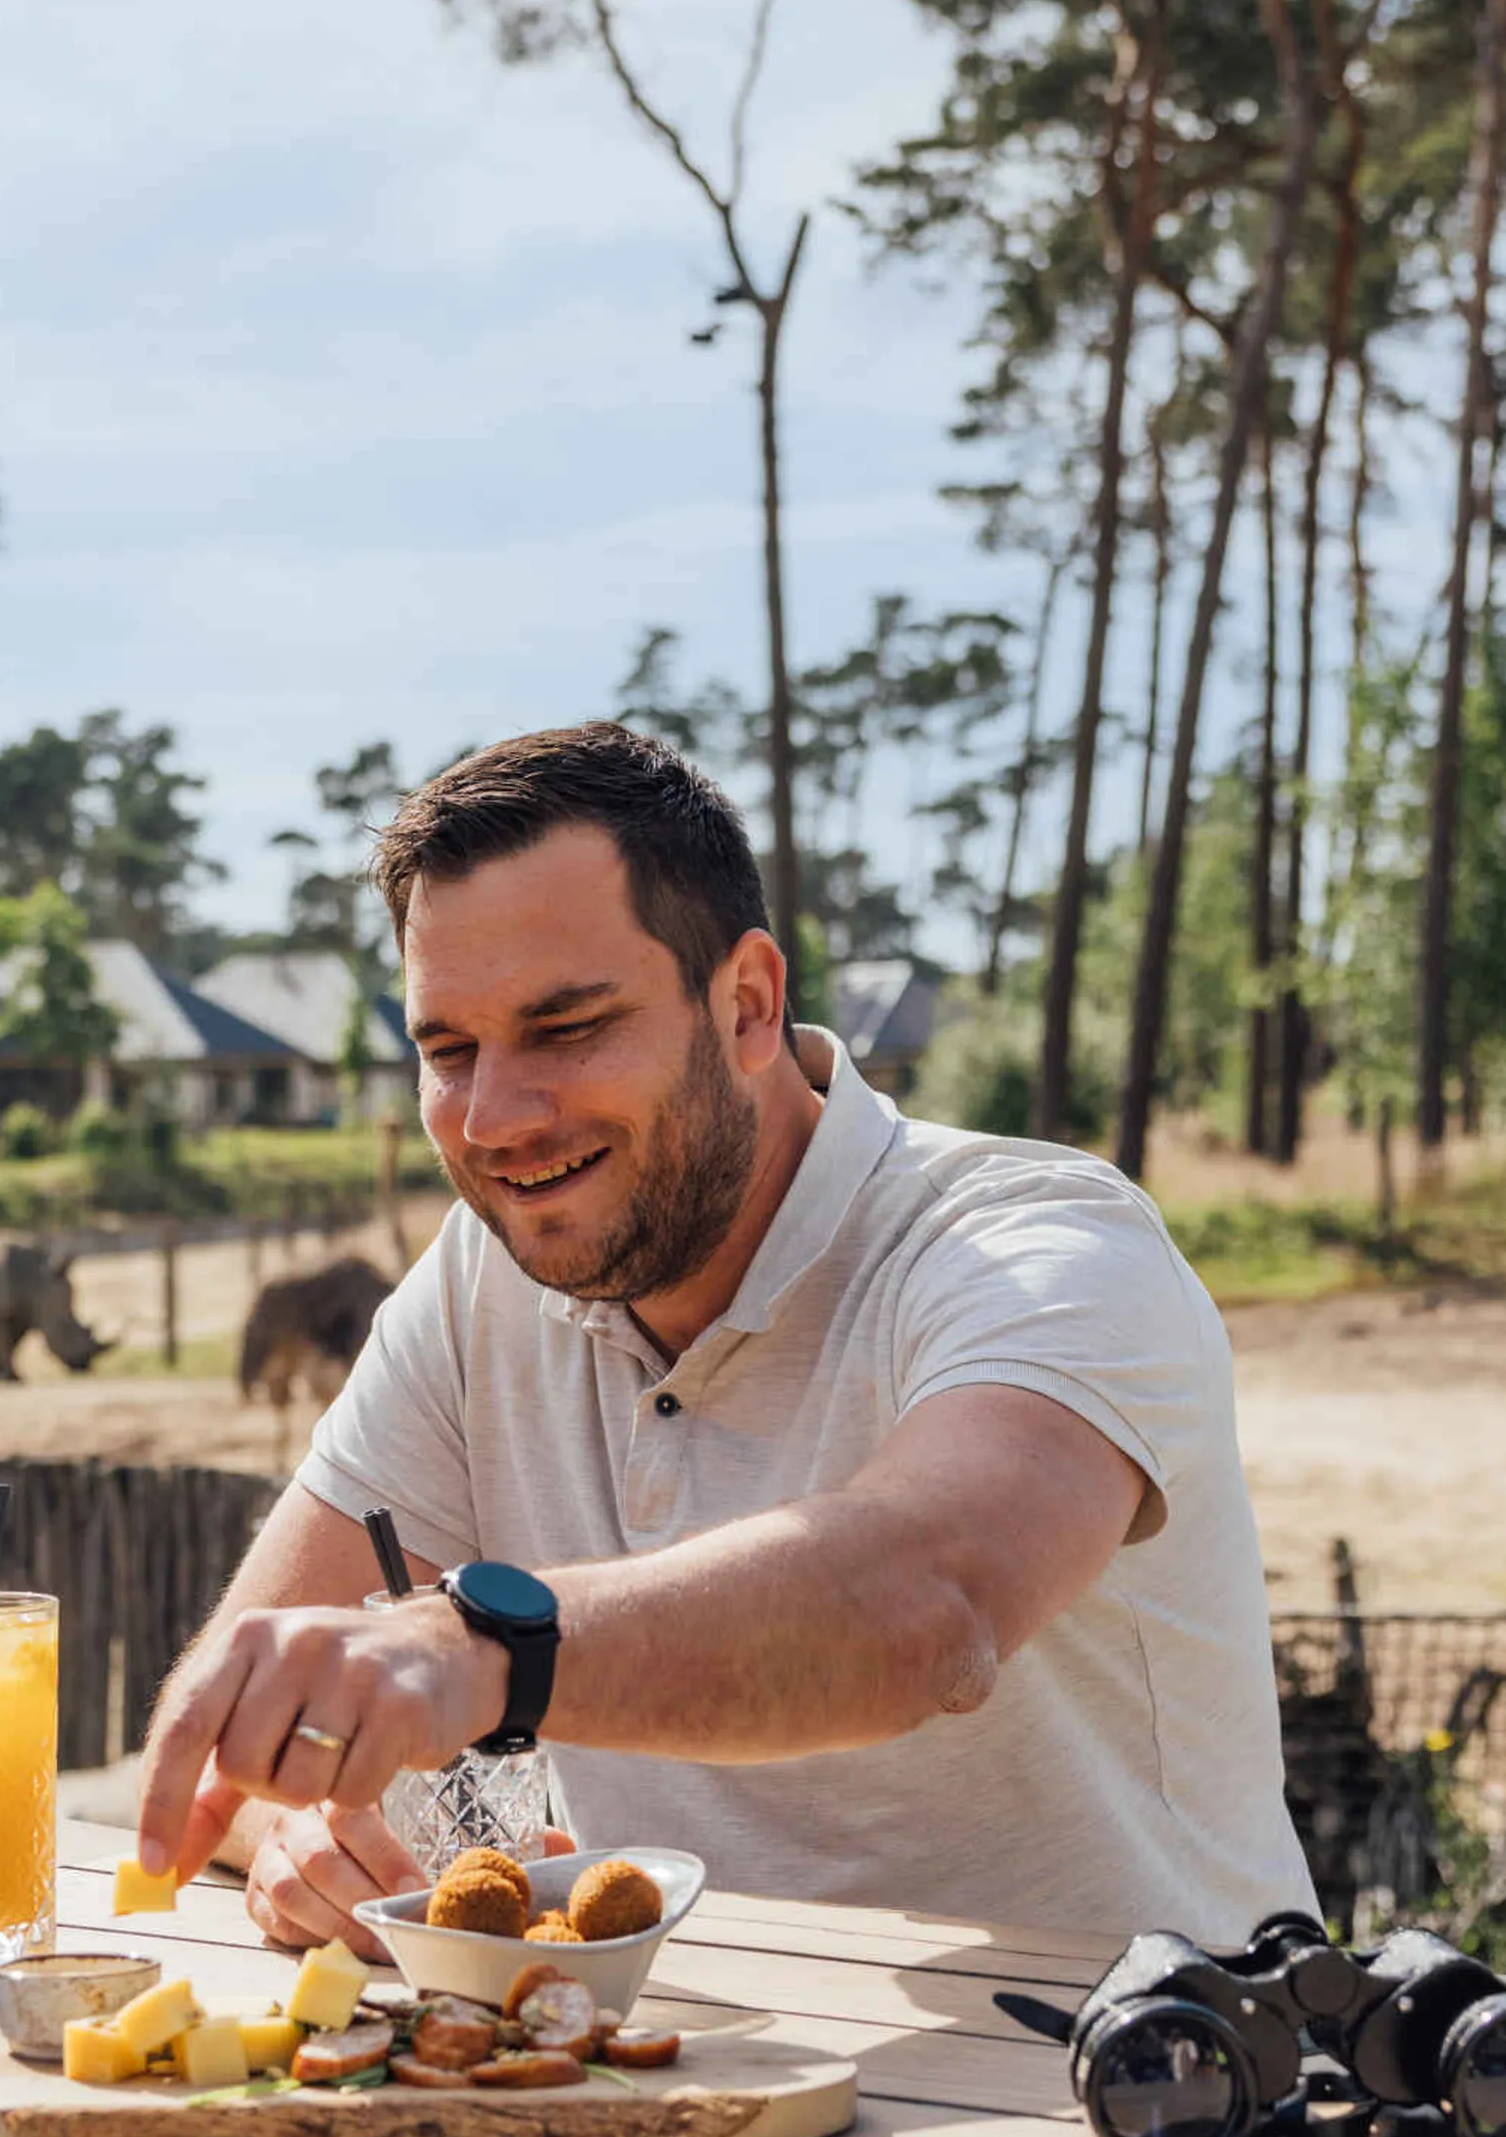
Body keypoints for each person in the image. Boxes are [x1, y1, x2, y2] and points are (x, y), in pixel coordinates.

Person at [135, 722, 1314, 1945]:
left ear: (749, 1003)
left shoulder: (1045, 1242)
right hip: (681, 2099)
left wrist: (487, 1648)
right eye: (449, 1050)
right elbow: (225, 1744)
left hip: (1157, 2091)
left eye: (567, 1027)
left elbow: (931, 1602)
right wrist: (300, 1835)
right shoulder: (476, 1279)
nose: (493, 1118)